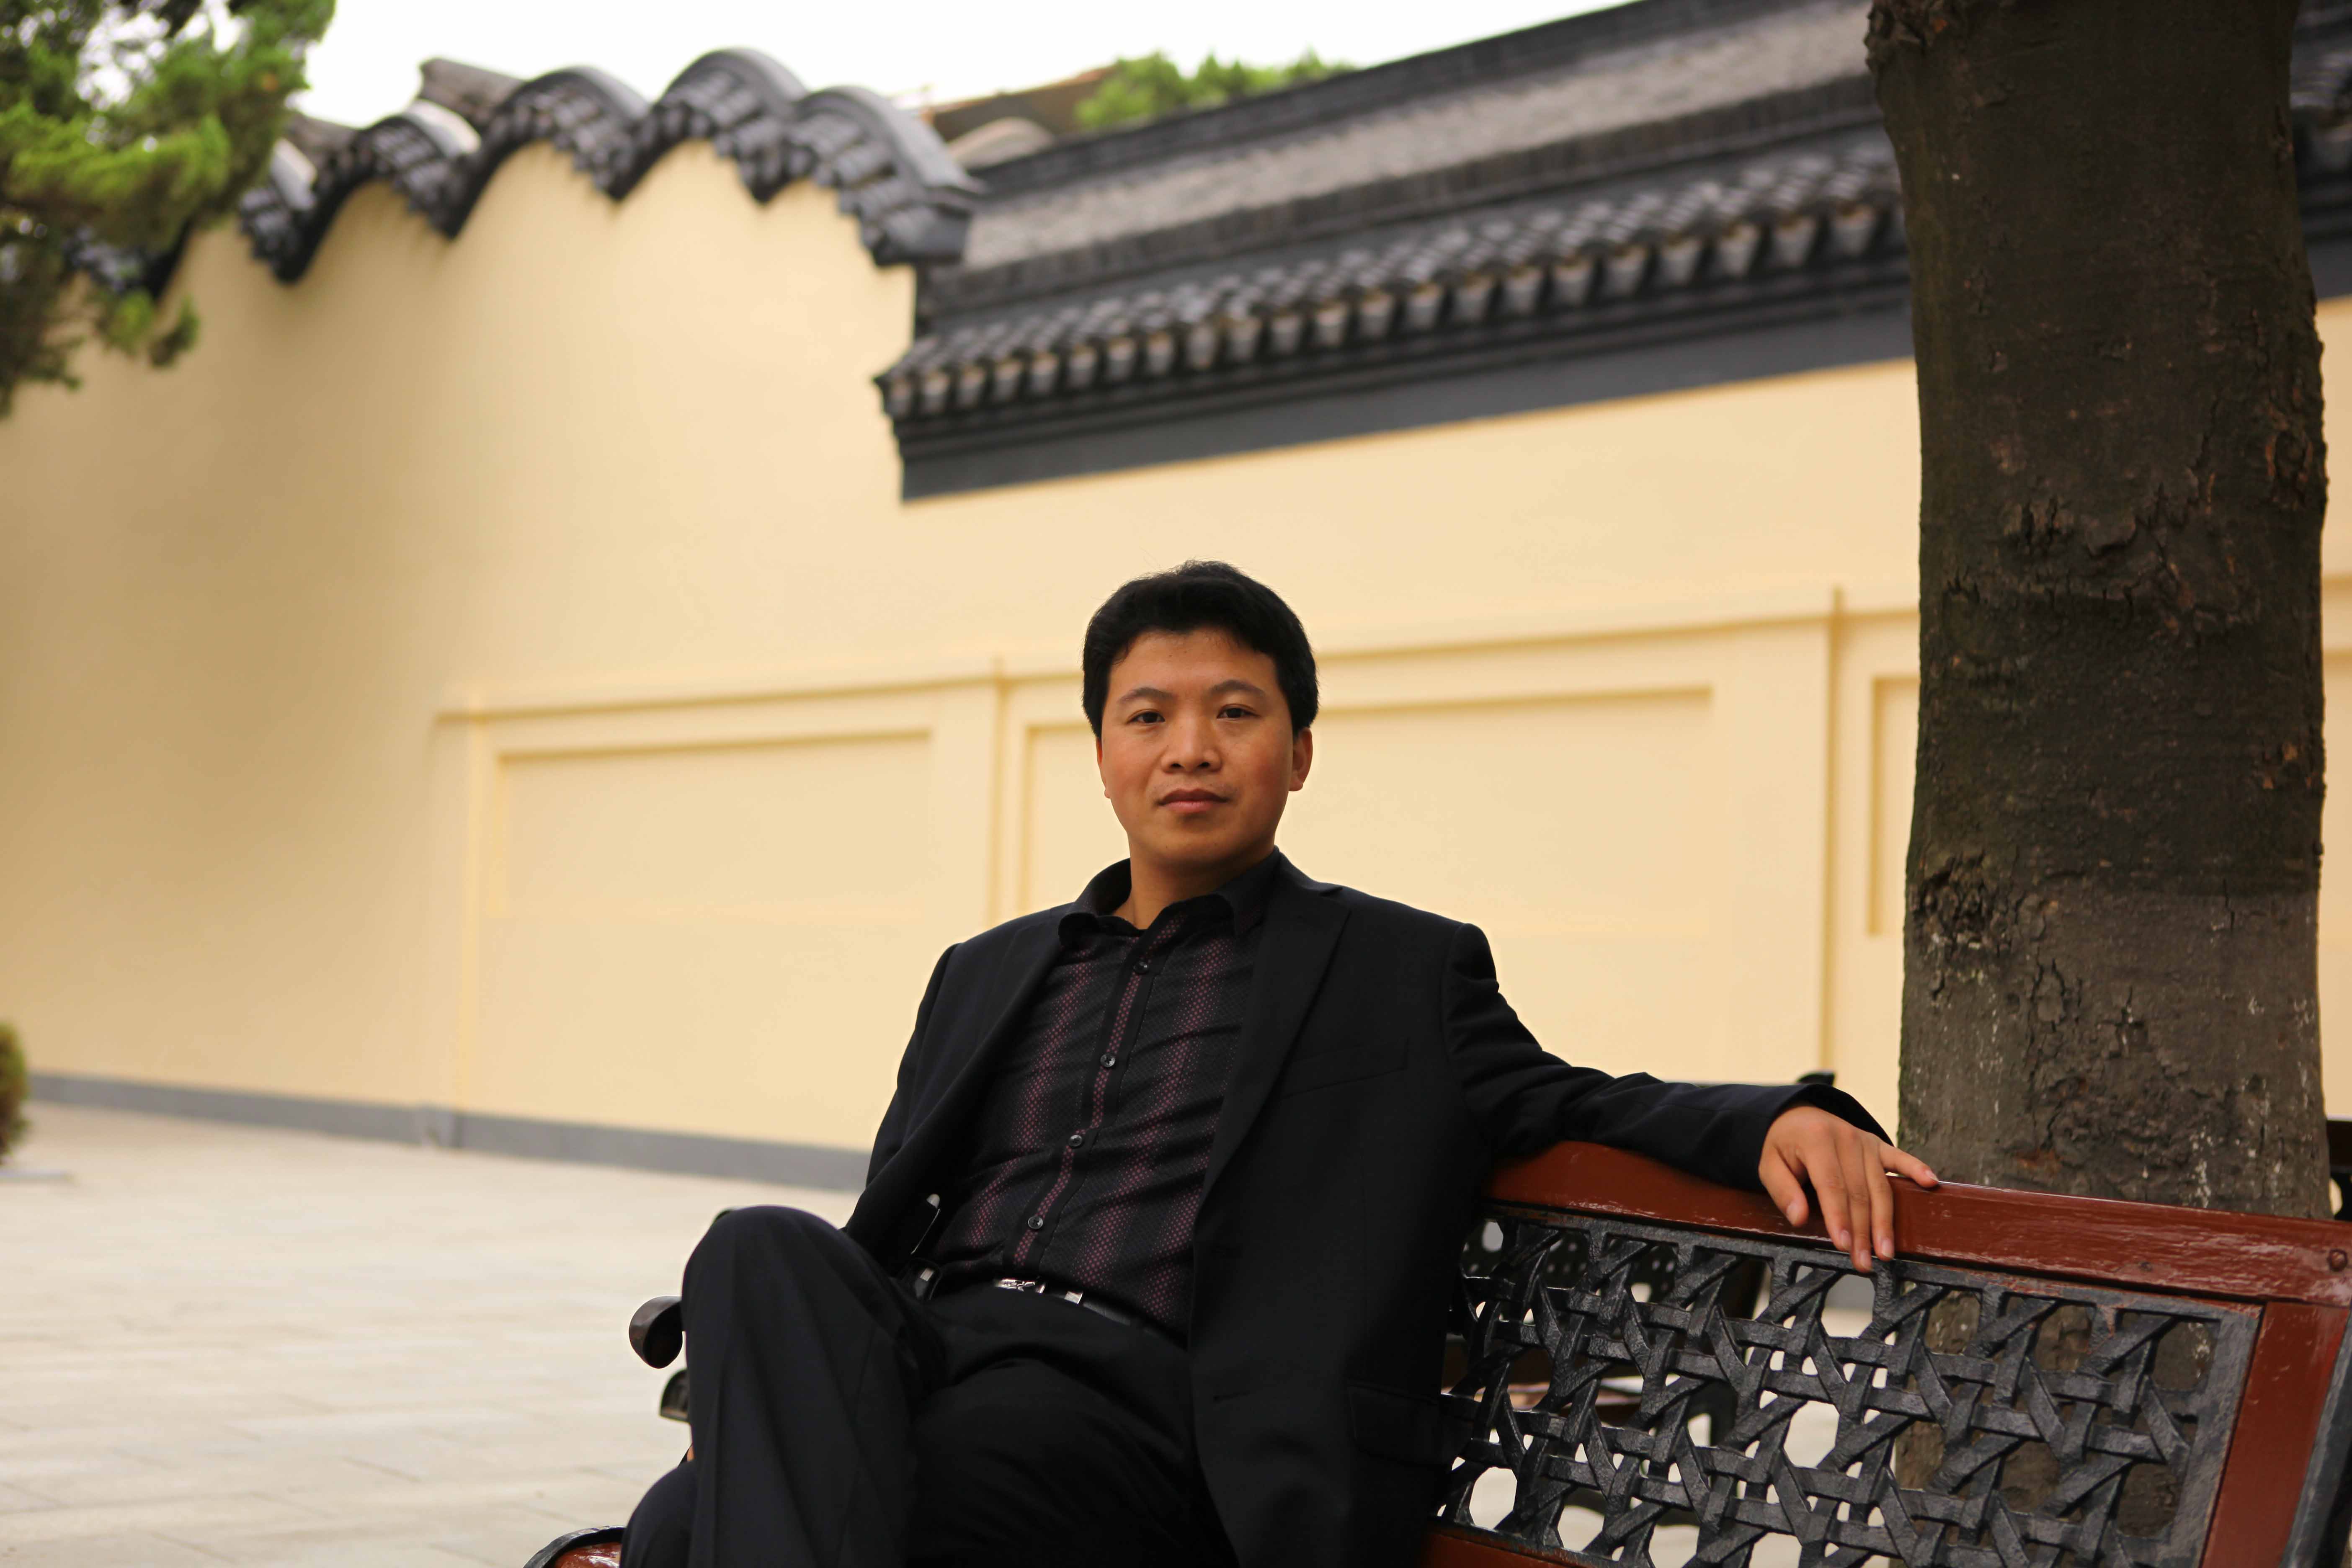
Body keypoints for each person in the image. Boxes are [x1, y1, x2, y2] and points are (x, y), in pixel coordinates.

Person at [618, 561, 1934, 1568]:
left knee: (683, 1535)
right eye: (1149, 716)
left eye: (1233, 713)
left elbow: (1578, 1100)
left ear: (1297, 754)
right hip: (935, 1352)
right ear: (1104, 757)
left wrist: (1784, 1117)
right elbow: (894, 1223)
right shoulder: (987, 969)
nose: (1189, 747)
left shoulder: (1395, 971)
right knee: (757, 1247)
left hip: (1147, 1414)